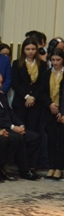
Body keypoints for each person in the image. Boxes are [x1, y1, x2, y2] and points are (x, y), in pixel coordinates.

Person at [0, 72, 39, 180]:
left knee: (35, 137)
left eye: (1, 82)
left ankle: (29, 167)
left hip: (11, 126)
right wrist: (12, 127)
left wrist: (21, 125)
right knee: (17, 137)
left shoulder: (1, 95)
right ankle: (22, 170)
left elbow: (11, 113)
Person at [11, 37, 47, 132]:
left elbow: (42, 85)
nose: (30, 51)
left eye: (33, 49)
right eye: (28, 49)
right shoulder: (17, 63)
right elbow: (15, 83)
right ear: (23, 50)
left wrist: (33, 97)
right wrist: (27, 96)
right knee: (21, 129)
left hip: (36, 102)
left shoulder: (42, 64)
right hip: (20, 101)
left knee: (33, 129)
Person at [47, 50, 64, 179]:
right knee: (51, 139)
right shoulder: (47, 73)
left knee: (61, 140)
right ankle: (51, 166)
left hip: (62, 111)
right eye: (53, 60)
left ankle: (60, 167)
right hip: (50, 110)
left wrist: (62, 112)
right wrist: (50, 104)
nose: (55, 63)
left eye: (58, 60)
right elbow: (42, 92)